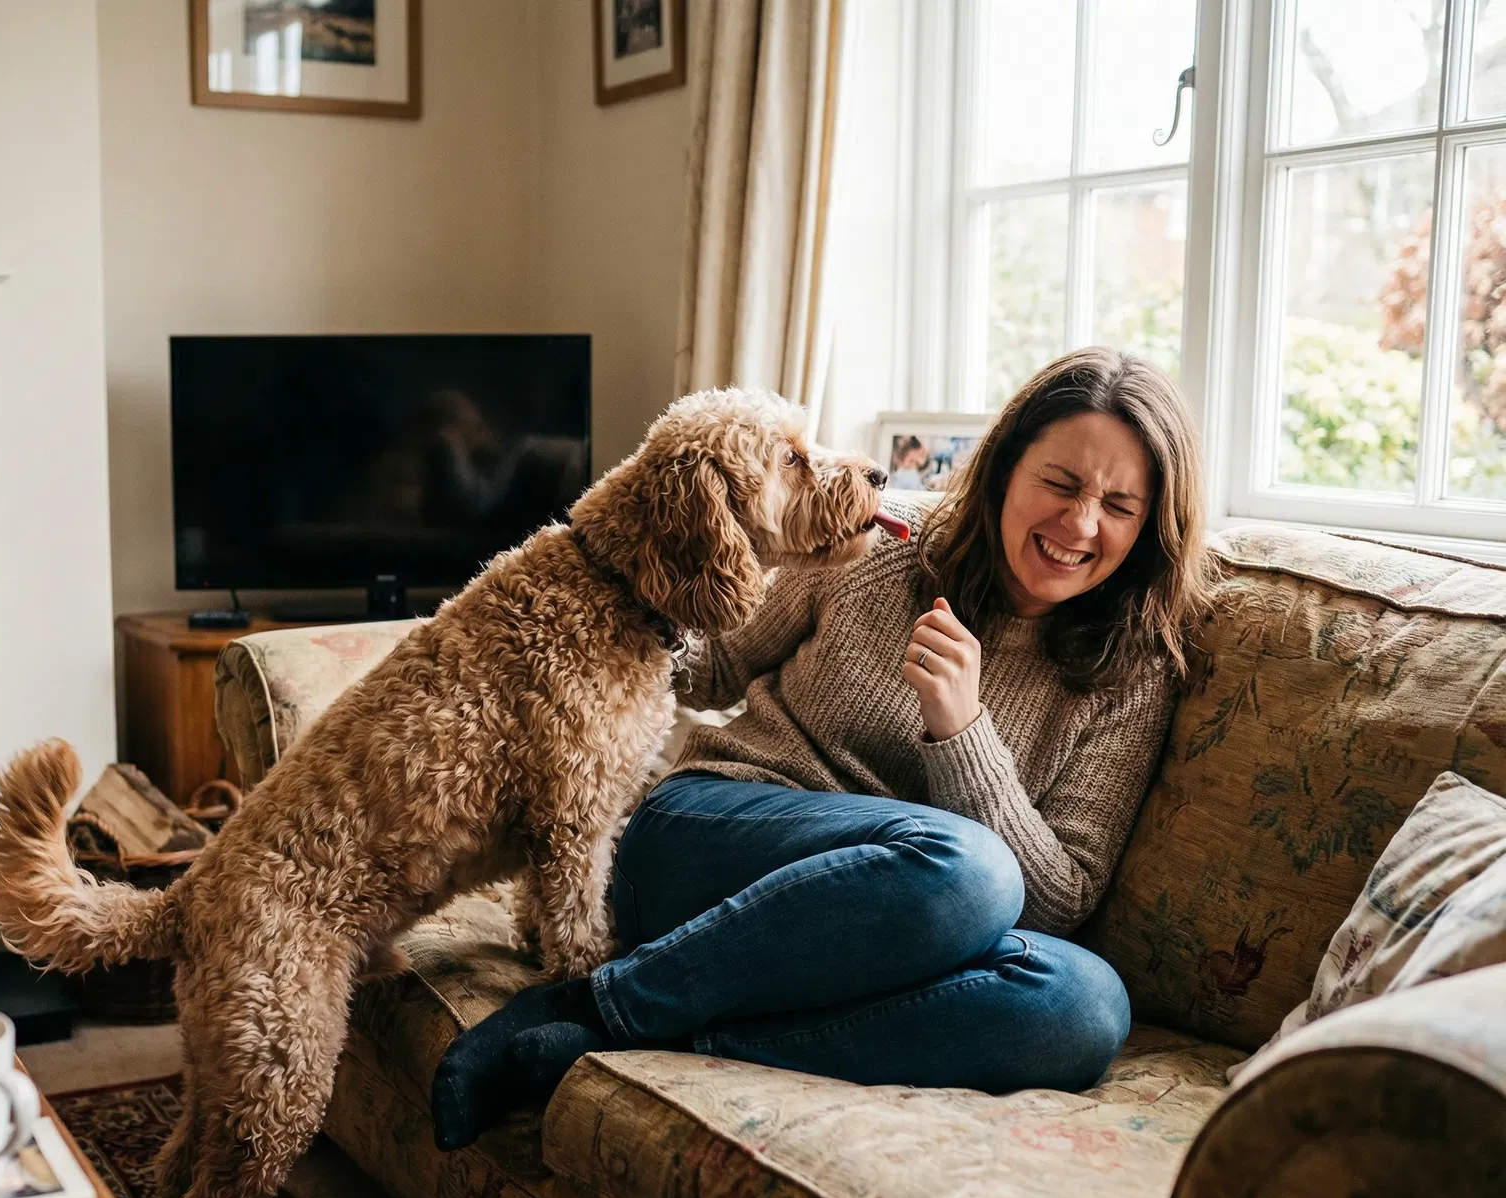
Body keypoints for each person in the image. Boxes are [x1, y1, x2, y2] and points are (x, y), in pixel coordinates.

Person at [430, 347, 1219, 1151]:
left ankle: (658, 1026)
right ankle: (592, 1006)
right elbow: (710, 661)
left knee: (1083, 1006)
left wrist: (963, 732)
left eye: (1118, 505)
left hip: (872, 934)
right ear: (1006, 468)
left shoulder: (1135, 670)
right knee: (973, 869)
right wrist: (598, 588)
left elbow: (1059, 901)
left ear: (1150, 526)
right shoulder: (876, 541)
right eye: (1061, 483)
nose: (1080, 524)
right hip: (705, 843)